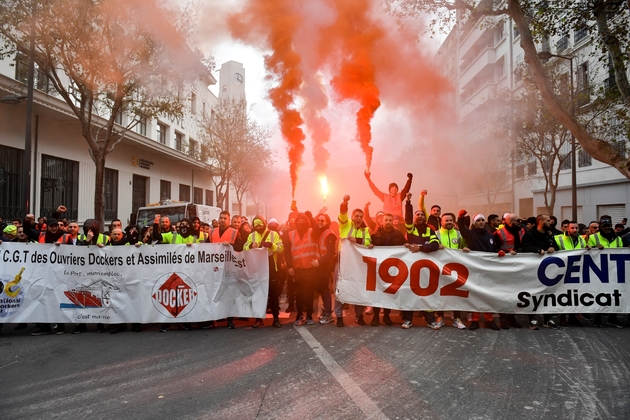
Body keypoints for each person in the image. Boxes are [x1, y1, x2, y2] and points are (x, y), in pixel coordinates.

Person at [401, 194, 439, 329]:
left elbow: (435, 245)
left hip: (426, 268)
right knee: (409, 293)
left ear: (425, 217)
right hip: (411, 267)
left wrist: (420, 248)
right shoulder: (411, 228)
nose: (420, 216)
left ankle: (430, 320)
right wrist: (408, 202)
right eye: (418, 215)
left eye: (422, 215)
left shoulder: (430, 230)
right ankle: (407, 320)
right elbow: (408, 217)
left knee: (427, 294)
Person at [457, 210, 500, 330]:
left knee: (488, 295)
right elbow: (461, 227)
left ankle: (489, 319)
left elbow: (494, 249)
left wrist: (500, 252)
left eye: (482, 220)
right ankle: (475, 320)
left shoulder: (490, 236)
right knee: (475, 295)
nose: (481, 223)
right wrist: (460, 218)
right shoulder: (470, 234)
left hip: (489, 269)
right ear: (474, 223)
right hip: (475, 268)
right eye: (478, 221)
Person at [336, 195, 374, 327]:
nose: (358, 218)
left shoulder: (365, 230)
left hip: (358, 264)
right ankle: (339, 316)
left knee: (359, 288)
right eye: (356, 216)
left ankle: (359, 315)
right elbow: (342, 214)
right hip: (344, 262)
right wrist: (344, 202)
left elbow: (368, 243)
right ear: (352, 217)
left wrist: (357, 241)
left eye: (360, 216)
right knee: (341, 288)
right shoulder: (346, 225)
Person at [244, 216, 284, 328]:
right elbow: (245, 247)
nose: (258, 227)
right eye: (256, 225)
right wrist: (251, 246)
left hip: (271, 267)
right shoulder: (251, 236)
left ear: (264, 224)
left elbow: (281, 248)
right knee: (257, 294)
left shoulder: (274, 234)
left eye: (260, 224)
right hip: (256, 268)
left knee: (273, 294)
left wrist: (272, 245)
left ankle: (276, 318)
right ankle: (258, 319)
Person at [522, 214, 560, 330]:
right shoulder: (529, 235)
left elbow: (556, 247)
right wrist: (537, 250)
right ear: (541, 222)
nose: (551, 222)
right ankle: (532, 319)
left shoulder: (549, 235)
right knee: (533, 294)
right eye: (548, 221)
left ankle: (547, 319)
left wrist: (553, 248)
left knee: (548, 294)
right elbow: (524, 247)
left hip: (547, 270)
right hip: (533, 269)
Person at [588, 216, 625, 328]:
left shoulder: (618, 238)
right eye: (604, 226)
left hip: (614, 271)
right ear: (600, 227)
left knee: (615, 295)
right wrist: (594, 247)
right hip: (599, 271)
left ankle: (612, 318)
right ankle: (597, 318)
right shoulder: (594, 237)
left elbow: (622, 252)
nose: (607, 228)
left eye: (609, 226)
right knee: (599, 294)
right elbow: (588, 251)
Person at [370, 213, 406, 326]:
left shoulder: (398, 234)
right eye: (386, 220)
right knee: (377, 293)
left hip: (392, 268)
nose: (388, 222)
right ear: (382, 221)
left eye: (390, 220)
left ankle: (386, 315)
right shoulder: (375, 234)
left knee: (389, 293)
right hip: (377, 267)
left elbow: (404, 247)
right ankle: (375, 316)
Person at [432, 212, 467, 330]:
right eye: (446, 220)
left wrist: (466, 249)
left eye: (451, 220)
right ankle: (440, 317)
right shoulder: (436, 234)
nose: (448, 222)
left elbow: (463, 247)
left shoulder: (459, 234)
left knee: (456, 294)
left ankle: (457, 319)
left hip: (455, 270)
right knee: (440, 294)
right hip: (440, 269)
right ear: (441, 222)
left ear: (454, 222)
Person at [285, 212, 320, 326]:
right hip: (297, 268)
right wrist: (289, 266)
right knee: (299, 294)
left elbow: (317, 230)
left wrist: (311, 218)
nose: (301, 223)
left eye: (303, 221)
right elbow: (287, 252)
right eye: (299, 221)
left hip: (310, 268)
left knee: (309, 293)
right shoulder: (291, 234)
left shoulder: (312, 232)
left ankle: (309, 315)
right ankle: (299, 315)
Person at [493, 214, 525, 329]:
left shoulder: (522, 231)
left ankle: (512, 317)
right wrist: (505, 252)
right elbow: (493, 249)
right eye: (517, 220)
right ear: (510, 222)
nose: (520, 221)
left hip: (518, 267)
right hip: (504, 267)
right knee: (503, 293)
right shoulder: (499, 233)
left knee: (515, 292)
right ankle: (503, 318)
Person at [554, 221, 588, 327]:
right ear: (567, 229)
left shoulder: (581, 239)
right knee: (563, 295)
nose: (575, 230)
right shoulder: (558, 238)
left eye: (576, 228)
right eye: (572, 228)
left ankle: (572, 318)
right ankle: (562, 318)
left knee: (575, 294)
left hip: (576, 271)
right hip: (562, 271)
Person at [313, 213, 337, 325]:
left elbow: (330, 252)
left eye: (322, 220)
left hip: (324, 266)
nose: (319, 222)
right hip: (320, 266)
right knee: (321, 288)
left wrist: (319, 262)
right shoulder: (322, 232)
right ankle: (326, 311)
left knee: (324, 289)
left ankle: (328, 314)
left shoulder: (329, 234)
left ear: (327, 221)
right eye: (318, 220)